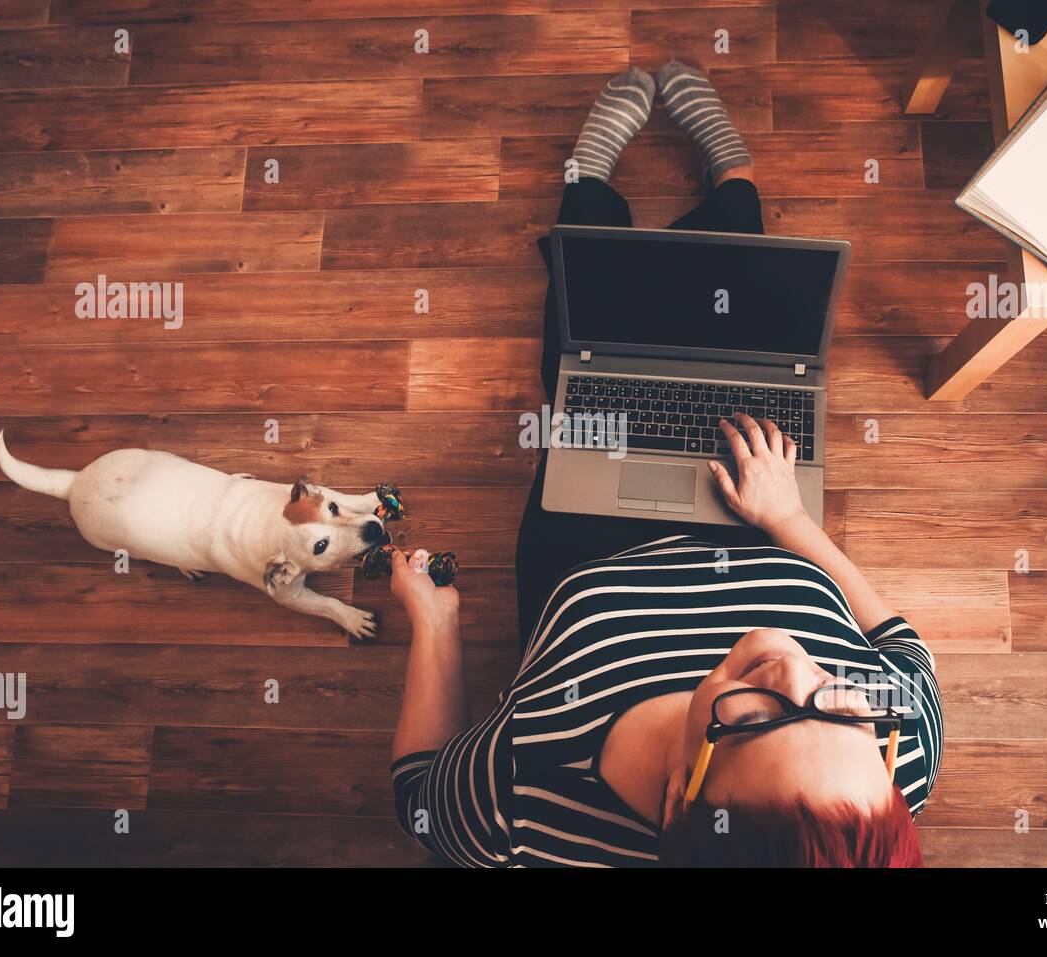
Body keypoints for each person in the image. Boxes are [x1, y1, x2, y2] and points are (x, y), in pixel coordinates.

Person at [387, 62, 943, 867]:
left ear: (682, 794)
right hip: (756, 519)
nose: (791, 659)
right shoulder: (897, 761)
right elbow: (903, 648)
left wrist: (434, 622)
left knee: (588, 362)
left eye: (755, 721)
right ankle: (732, 177)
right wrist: (789, 518)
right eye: (844, 712)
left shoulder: (525, 803)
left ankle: (590, 189)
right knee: (732, 343)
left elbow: (419, 796)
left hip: (583, 562)